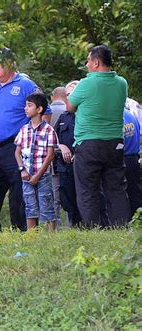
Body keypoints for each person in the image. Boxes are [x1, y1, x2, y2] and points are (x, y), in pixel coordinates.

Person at [0, 47, 45, 232]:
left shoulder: (25, 84)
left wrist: (36, 140)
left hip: (16, 147)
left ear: (11, 63)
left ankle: (22, 229)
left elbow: (44, 112)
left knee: (19, 193)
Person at [66, 45, 131, 227]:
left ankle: (92, 227)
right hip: (115, 143)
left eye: (88, 60)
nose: (86, 64)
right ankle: (121, 225)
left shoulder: (86, 83)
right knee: (117, 188)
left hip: (89, 143)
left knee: (87, 189)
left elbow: (69, 107)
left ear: (96, 62)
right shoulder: (122, 83)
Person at [15, 92, 58, 230]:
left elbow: (50, 155)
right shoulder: (23, 129)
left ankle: (51, 234)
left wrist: (38, 175)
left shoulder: (49, 130)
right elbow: (17, 152)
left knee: (46, 203)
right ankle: (32, 234)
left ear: (39, 109)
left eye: (29, 105)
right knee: (29, 204)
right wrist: (22, 169)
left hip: (43, 174)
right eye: (25, 105)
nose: (25, 108)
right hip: (26, 174)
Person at [53, 83, 83, 227]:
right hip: (65, 167)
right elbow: (52, 138)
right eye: (67, 95)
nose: (69, 98)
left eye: (73, 94)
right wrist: (61, 146)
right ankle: (74, 228)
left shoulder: (86, 115)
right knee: (67, 200)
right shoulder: (64, 117)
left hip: (84, 165)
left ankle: (92, 227)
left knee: (87, 198)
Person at [49, 86, 69, 227]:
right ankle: (72, 224)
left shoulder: (45, 111)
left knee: (54, 196)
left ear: (52, 97)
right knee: (70, 193)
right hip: (69, 157)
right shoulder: (69, 111)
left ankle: (54, 226)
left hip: (51, 160)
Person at [123, 109, 142, 214]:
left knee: (121, 193)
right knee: (135, 191)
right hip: (134, 158)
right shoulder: (131, 115)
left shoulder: (114, 117)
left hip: (121, 158)